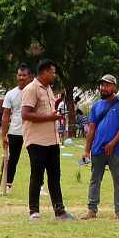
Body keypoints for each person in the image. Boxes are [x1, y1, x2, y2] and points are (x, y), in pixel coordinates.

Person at [22, 60, 73, 221]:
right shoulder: (31, 89)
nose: (54, 75)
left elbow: (48, 113)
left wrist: (54, 115)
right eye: (53, 71)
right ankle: (34, 211)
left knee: (55, 176)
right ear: (44, 72)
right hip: (37, 140)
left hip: (52, 140)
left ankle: (60, 211)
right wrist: (49, 117)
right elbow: (26, 114)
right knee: (37, 176)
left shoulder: (49, 89)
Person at [78, 75, 119, 220]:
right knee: (95, 179)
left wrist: (112, 143)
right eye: (102, 85)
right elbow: (91, 129)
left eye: (107, 85)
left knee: (118, 179)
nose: (103, 88)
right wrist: (87, 149)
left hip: (116, 149)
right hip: (97, 149)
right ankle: (92, 209)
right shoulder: (96, 106)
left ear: (114, 87)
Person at [0, 66, 33, 195]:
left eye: (24, 75)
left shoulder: (34, 92)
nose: (21, 78)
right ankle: (8, 184)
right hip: (15, 131)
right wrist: (3, 135)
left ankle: (39, 186)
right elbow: (6, 115)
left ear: (30, 77)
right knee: (12, 159)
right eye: (19, 75)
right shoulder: (11, 94)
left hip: (32, 131)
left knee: (36, 160)